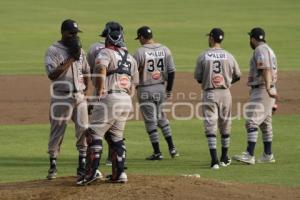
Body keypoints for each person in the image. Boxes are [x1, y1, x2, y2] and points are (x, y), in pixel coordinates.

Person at [77, 22, 139, 185]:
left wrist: (101, 89)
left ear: (108, 38)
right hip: (126, 100)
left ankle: (90, 174)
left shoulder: (105, 52)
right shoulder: (130, 58)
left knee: (93, 134)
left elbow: (101, 69)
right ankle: (120, 174)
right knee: (116, 137)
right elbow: (135, 84)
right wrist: (126, 98)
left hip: (110, 98)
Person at [44, 19, 90, 180]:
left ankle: (82, 165)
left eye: (76, 33)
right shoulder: (53, 50)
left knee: (84, 129)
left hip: (80, 96)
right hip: (61, 96)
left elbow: (86, 72)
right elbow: (52, 74)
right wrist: (71, 58)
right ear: (62, 32)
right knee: (57, 130)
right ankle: (53, 165)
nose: (74, 35)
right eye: (71, 33)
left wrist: (87, 94)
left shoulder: (80, 50)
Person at [194, 28, 241, 169]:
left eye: (209, 37)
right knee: (225, 124)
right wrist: (226, 83)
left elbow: (198, 78)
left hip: (210, 93)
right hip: (225, 93)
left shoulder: (203, 56)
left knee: (210, 125)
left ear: (212, 38)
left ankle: (214, 160)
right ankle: (224, 157)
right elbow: (238, 75)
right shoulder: (229, 56)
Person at [233, 27, 278, 164]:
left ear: (253, 39)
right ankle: (267, 154)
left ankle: (249, 154)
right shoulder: (269, 49)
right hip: (267, 88)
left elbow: (265, 69)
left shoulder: (259, 50)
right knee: (265, 123)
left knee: (252, 121)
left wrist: (269, 88)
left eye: (250, 38)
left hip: (263, 89)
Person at [133, 26, 179, 160]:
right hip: (160, 88)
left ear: (141, 37)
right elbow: (171, 71)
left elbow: (132, 72)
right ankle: (172, 148)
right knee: (161, 117)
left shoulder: (139, 52)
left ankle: (157, 152)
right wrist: (169, 90)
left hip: (145, 89)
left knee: (150, 121)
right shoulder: (165, 49)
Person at [87, 21, 124, 166]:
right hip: (119, 90)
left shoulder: (94, 47)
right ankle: (113, 159)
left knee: (97, 127)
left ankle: (93, 163)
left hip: (100, 88)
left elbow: (92, 69)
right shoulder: (123, 49)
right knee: (115, 127)